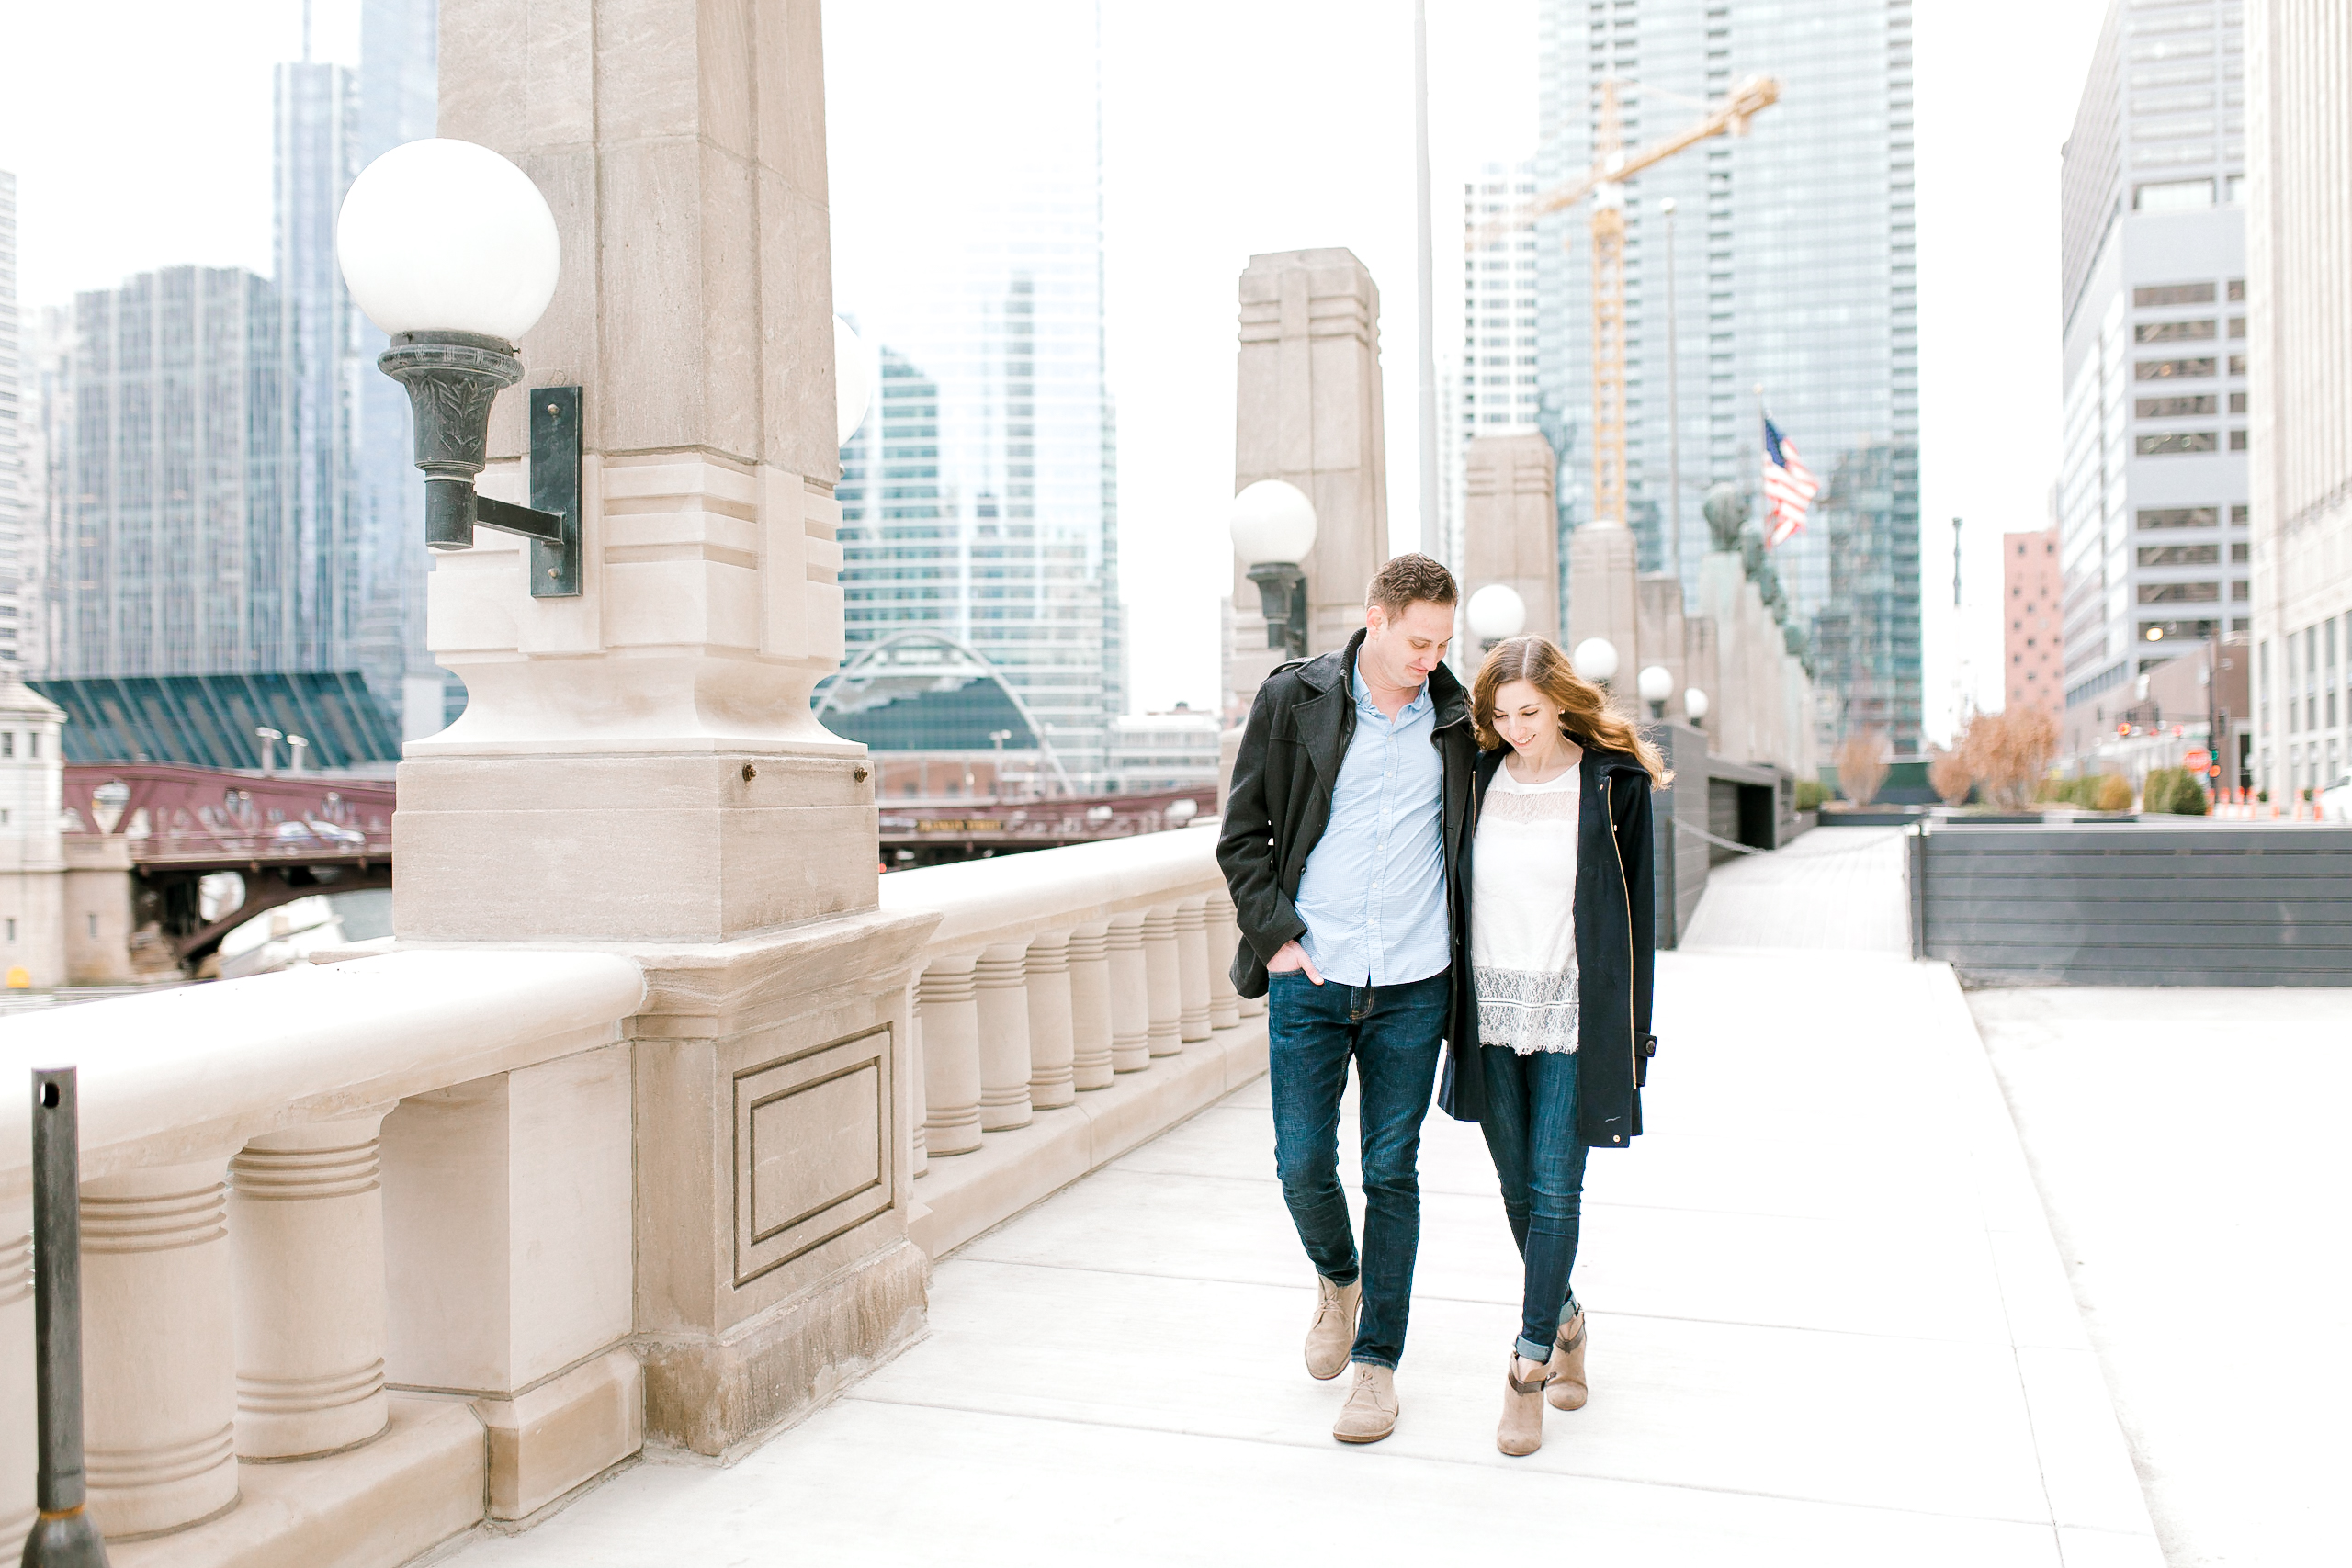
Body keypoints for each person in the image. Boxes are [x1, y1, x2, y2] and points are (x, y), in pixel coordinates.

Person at [1216, 554, 1478, 1445]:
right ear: (1375, 617)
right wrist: (1277, 939)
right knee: (1299, 1165)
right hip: (1312, 977)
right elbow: (1240, 835)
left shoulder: (1457, 720)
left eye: (1443, 643)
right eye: (1417, 640)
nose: (1430, 658)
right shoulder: (1293, 699)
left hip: (1413, 986)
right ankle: (1337, 1276)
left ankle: (1376, 1367)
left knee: (1390, 1172)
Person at [1446, 634, 1666, 1458]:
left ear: (1562, 702)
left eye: (1529, 712)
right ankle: (1568, 1319)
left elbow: (1640, 924)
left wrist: (1634, 1037)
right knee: (1515, 1189)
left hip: (1575, 1015)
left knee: (1555, 1185)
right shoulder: (1474, 774)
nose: (1515, 728)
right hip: (1490, 1016)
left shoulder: (1614, 784)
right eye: (1501, 714)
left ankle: (1527, 1365)